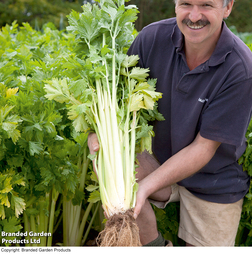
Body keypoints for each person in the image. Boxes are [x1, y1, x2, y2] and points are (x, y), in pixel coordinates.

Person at [88, 0, 252, 246]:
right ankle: (153, 244)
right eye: (186, 3)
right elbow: (117, 99)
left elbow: (203, 148)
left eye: (206, 5)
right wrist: (95, 132)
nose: (194, 16)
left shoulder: (240, 67)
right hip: (154, 160)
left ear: (227, 8)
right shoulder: (151, 38)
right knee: (111, 161)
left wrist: (143, 189)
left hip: (214, 181)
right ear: (175, 5)